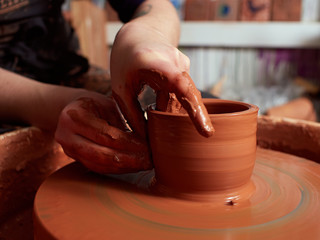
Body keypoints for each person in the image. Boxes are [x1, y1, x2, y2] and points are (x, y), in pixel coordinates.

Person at [0, 0, 214, 174]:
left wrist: (142, 37)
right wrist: (54, 104)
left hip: (59, 63)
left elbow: (155, 4)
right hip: (10, 91)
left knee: (201, 111)